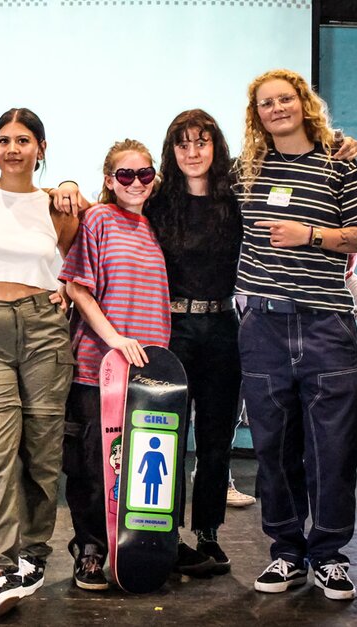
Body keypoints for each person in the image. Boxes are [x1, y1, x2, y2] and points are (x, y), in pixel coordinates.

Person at [235, 68, 357, 601]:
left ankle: (330, 556)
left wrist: (310, 235)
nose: (277, 108)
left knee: (333, 451)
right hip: (264, 327)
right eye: (266, 103)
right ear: (257, 115)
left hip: (326, 325)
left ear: (304, 103)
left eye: (285, 99)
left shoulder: (340, 162)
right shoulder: (246, 170)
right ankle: (287, 553)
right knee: (274, 451)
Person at [0, 108, 78, 617]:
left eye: (23, 140)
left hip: (43, 328)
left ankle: (34, 553)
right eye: (4, 140)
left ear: (40, 148)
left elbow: (68, 263)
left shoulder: (58, 207)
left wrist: (69, 185)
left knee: (44, 453)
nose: (12, 149)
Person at [59, 138, 170, 591]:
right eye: (125, 174)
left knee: (142, 465)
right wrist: (115, 341)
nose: (136, 182)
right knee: (91, 466)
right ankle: (89, 552)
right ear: (109, 179)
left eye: (145, 174)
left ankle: (138, 550)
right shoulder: (99, 219)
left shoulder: (160, 226)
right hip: (97, 367)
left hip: (151, 371)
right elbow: (77, 288)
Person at [146, 109, 242, 576]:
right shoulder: (157, 200)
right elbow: (103, 202)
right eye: (182, 143)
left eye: (201, 142)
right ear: (171, 151)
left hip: (224, 327)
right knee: (167, 436)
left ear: (215, 146)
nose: (192, 152)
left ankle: (207, 533)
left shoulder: (236, 197)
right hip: (173, 330)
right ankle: (163, 534)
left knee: (215, 440)